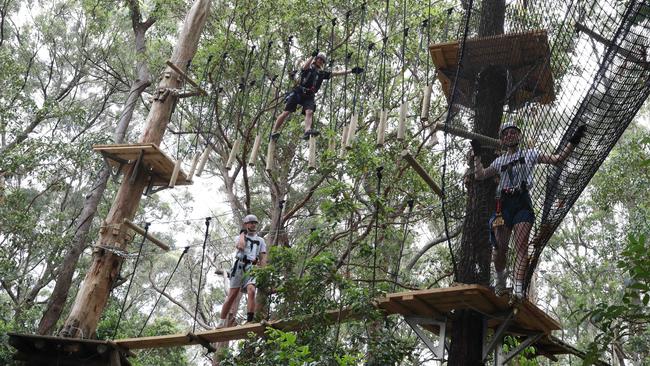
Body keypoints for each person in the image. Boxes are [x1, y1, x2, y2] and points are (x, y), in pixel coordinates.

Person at [472, 121, 585, 298]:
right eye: (506, 133)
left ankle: (518, 287)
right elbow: (480, 175)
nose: (510, 135)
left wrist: (574, 140)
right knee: (500, 248)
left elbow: (557, 159)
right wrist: (477, 156)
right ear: (502, 139)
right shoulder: (499, 160)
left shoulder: (530, 154)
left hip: (522, 202)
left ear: (519, 135)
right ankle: (500, 281)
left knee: (521, 246)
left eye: (513, 132)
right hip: (503, 204)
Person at [271, 51, 364, 141]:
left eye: (322, 61)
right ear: (316, 59)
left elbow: (336, 74)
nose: (320, 61)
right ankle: (274, 131)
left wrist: (351, 71)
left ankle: (307, 131)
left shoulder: (322, 73)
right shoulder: (308, 68)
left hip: (309, 95)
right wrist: (312, 56)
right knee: (286, 113)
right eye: (319, 59)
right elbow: (304, 66)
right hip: (298, 92)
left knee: (309, 112)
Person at [218, 214, 267, 326]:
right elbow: (240, 246)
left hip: (252, 267)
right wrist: (242, 233)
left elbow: (263, 256)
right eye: (251, 222)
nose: (253, 225)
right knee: (232, 295)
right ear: (246, 224)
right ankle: (221, 322)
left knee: (252, 291)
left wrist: (263, 270)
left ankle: (249, 321)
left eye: (255, 223)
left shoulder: (260, 240)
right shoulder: (240, 237)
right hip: (239, 266)